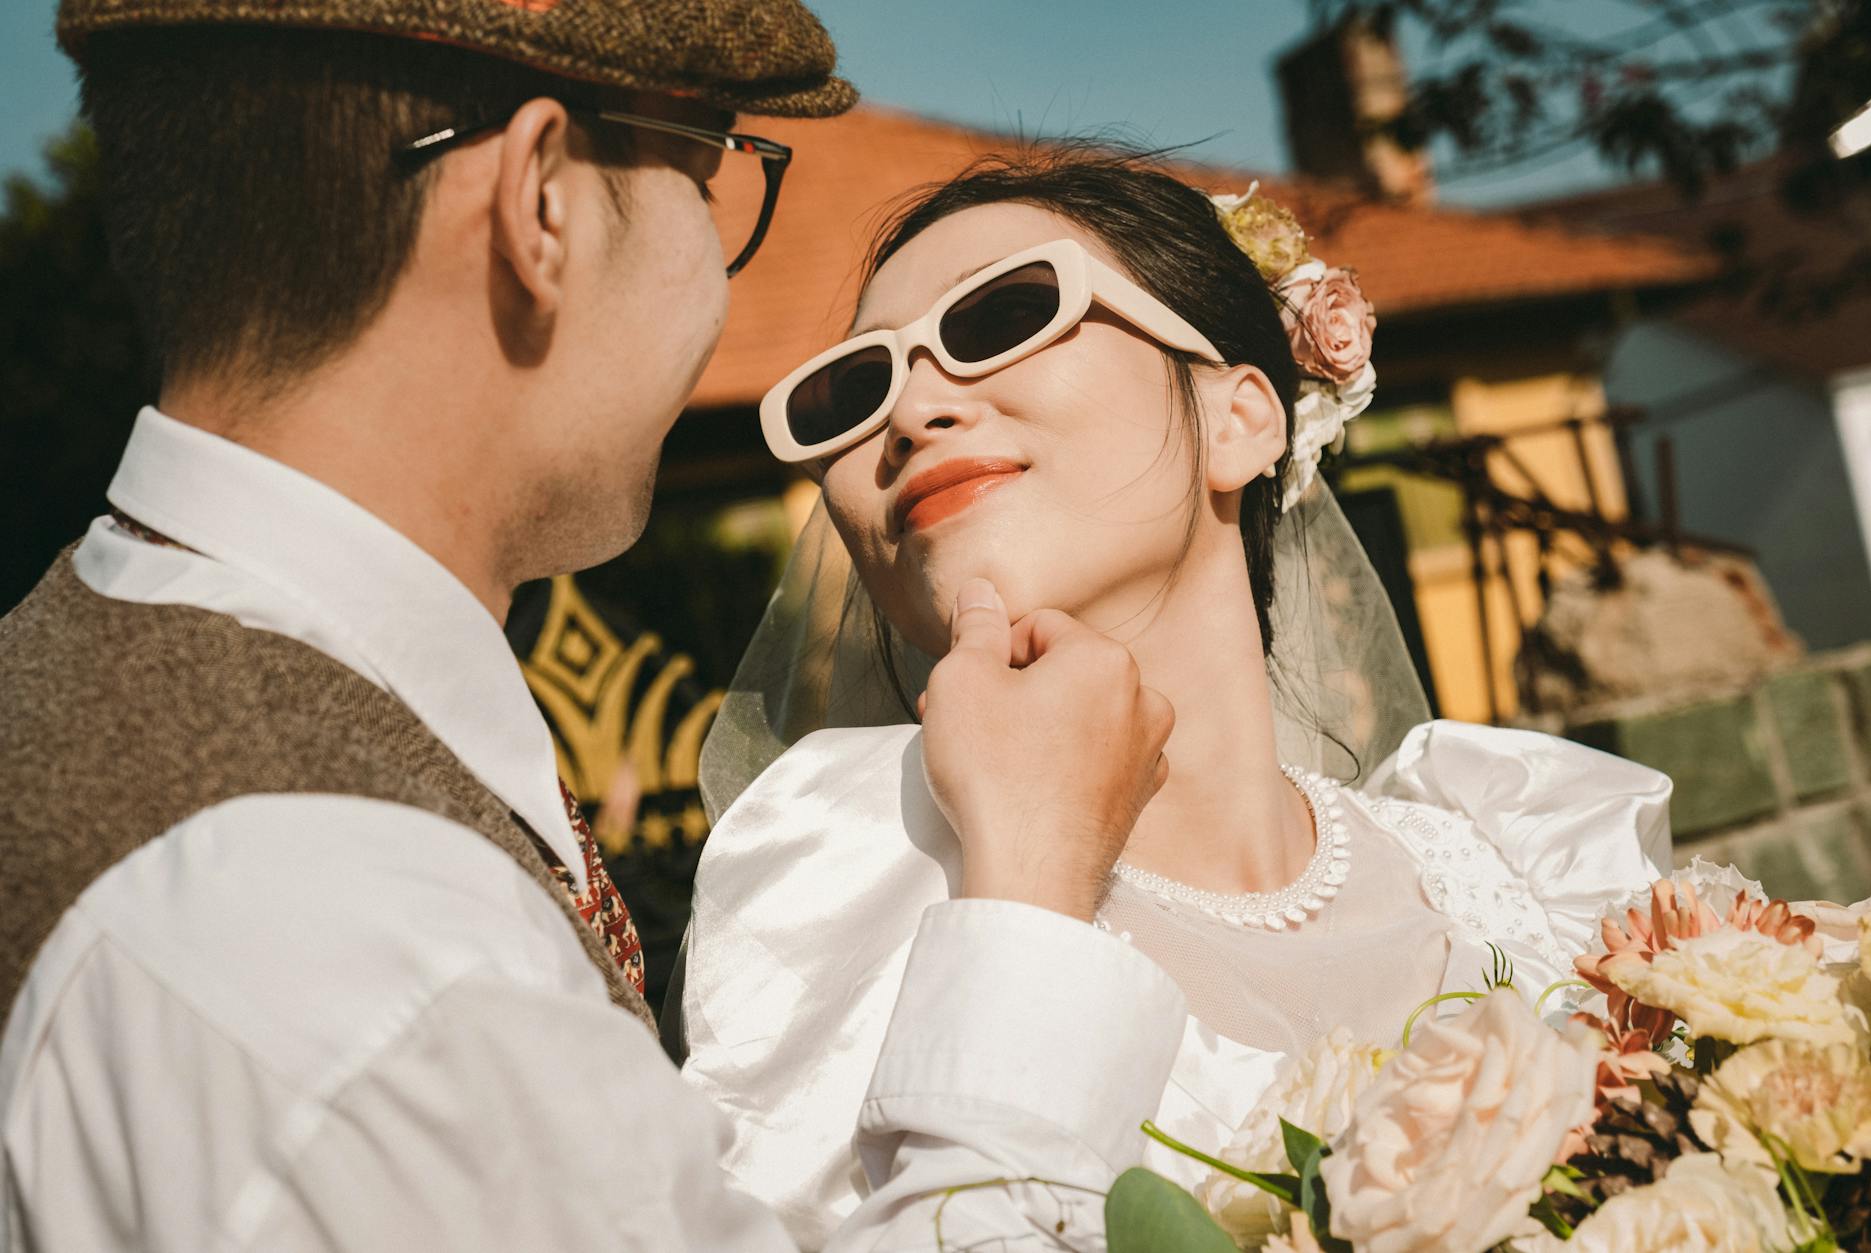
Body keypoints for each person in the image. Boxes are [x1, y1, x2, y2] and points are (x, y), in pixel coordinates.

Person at [0, 6, 1193, 1250]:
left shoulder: (97, 702)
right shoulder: (358, 943)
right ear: (541, 204)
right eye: (707, 175)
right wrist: (1028, 904)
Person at [679, 147, 1675, 1247]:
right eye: (850, 392)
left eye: (1001, 315)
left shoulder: (1529, 855)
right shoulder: (841, 872)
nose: (909, 409)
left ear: (1241, 417)